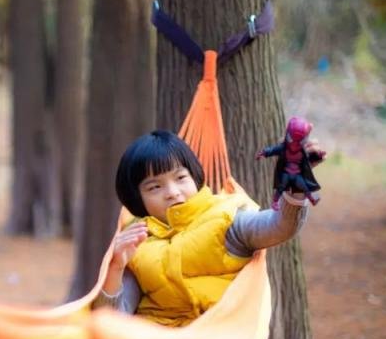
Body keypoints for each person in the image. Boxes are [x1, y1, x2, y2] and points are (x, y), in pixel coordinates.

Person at [93, 130, 324, 326]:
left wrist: (295, 187)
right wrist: (116, 266)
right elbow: (113, 320)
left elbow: (280, 226)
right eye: (154, 187)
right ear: (137, 198)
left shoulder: (226, 217)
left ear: (194, 177)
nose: (172, 191)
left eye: (181, 177)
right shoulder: (136, 240)